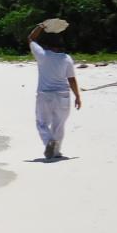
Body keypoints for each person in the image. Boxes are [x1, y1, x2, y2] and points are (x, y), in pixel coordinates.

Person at [27, 21, 82, 158]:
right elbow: (71, 79)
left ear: (47, 45)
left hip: (45, 95)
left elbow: (31, 39)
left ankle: (49, 142)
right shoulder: (66, 58)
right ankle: (56, 151)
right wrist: (78, 96)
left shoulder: (42, 55)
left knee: (42, 123)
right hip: (63, 95)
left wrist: (40, 26)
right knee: (59, 125)